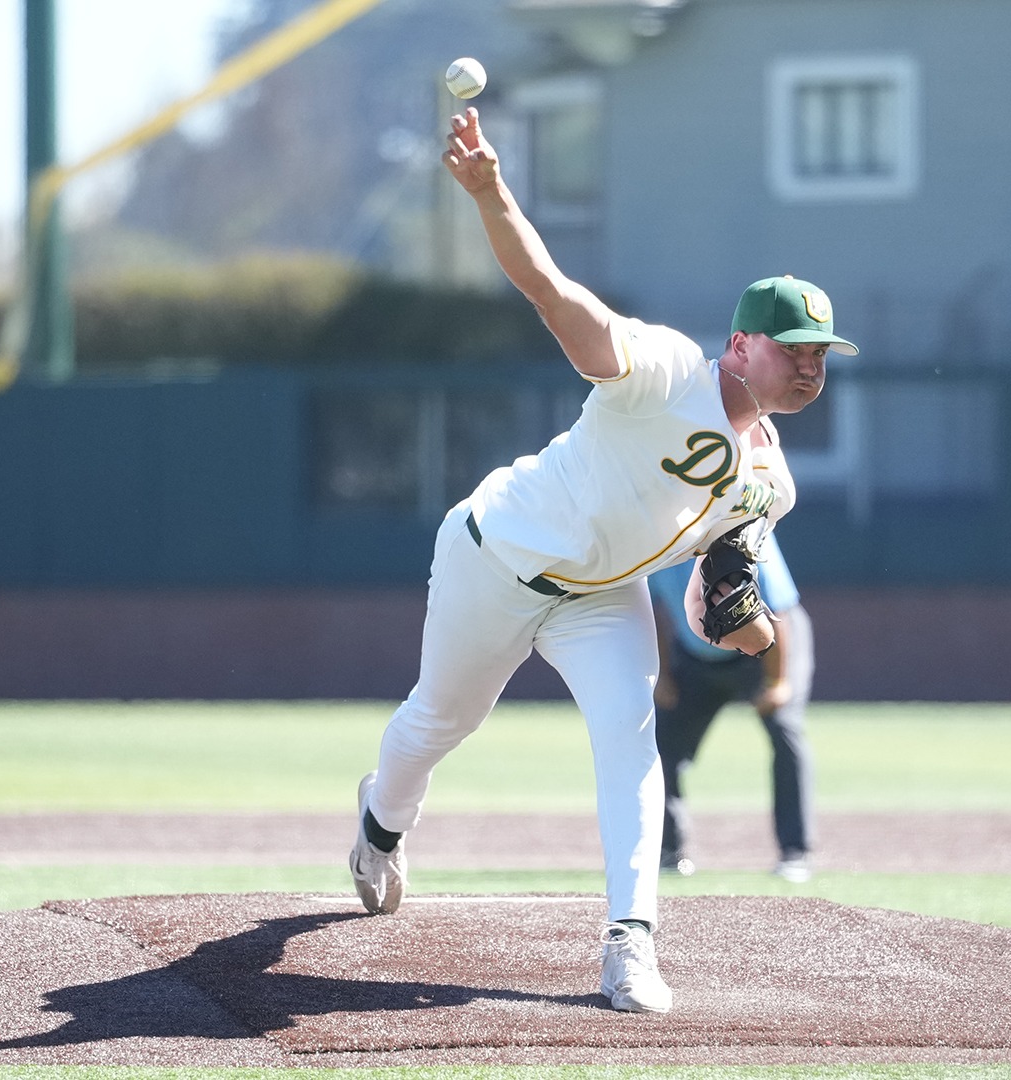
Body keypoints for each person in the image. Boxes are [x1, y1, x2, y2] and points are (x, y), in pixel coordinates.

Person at [346, 106, 855, 1014]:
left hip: (600, 597)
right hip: (494, 553)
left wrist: (734, 619)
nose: (812, 367)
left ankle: (631, 942)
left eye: (823, 355)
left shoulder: (771, 483)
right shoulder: (663, 372)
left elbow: (712, 595)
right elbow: (553, 294)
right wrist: (493, 193)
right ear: (740, 344)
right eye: (795, 348)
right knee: (439, 722)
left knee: (631, 738)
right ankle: (381, 822)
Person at [649, 532, 816, 883]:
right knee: (660, 741)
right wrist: (663, 676)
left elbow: (779, 610)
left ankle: (795, 853)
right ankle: (670, 851)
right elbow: (653, 614)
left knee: (784, 731)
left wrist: (777, 683)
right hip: (697, 655)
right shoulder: (658, 542)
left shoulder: (745, 533)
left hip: (767, 648)